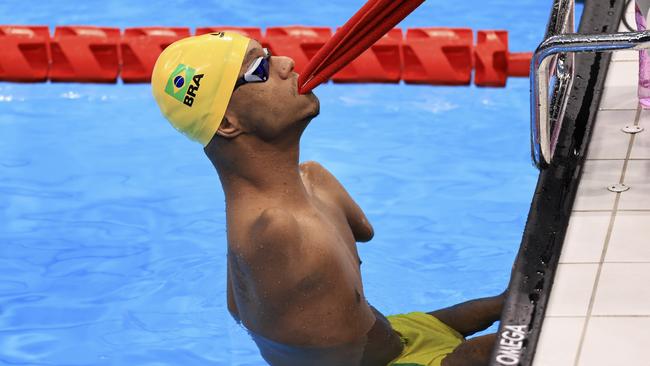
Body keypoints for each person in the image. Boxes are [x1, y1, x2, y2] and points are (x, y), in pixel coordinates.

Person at [151, 31, 506, 366]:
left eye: (270, 54)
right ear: (228, 123)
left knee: (498, 306)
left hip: (392, 334)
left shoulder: (313, 182)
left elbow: (360, 235)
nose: (287, 62)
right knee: (500, 347)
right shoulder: (273, 232)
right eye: (260, 69)